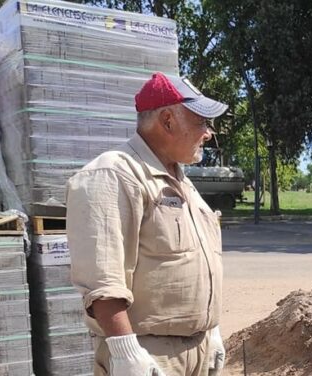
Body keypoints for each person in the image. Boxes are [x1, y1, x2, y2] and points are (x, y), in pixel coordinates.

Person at [66, 72, 228, 376]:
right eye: (201, 123)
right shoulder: (114, 175)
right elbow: (103, 280)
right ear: (168, 121)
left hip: (197, 350)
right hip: (147, 355)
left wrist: (211, 331)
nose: (208, 134)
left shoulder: (183, 184)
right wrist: (126, 352)